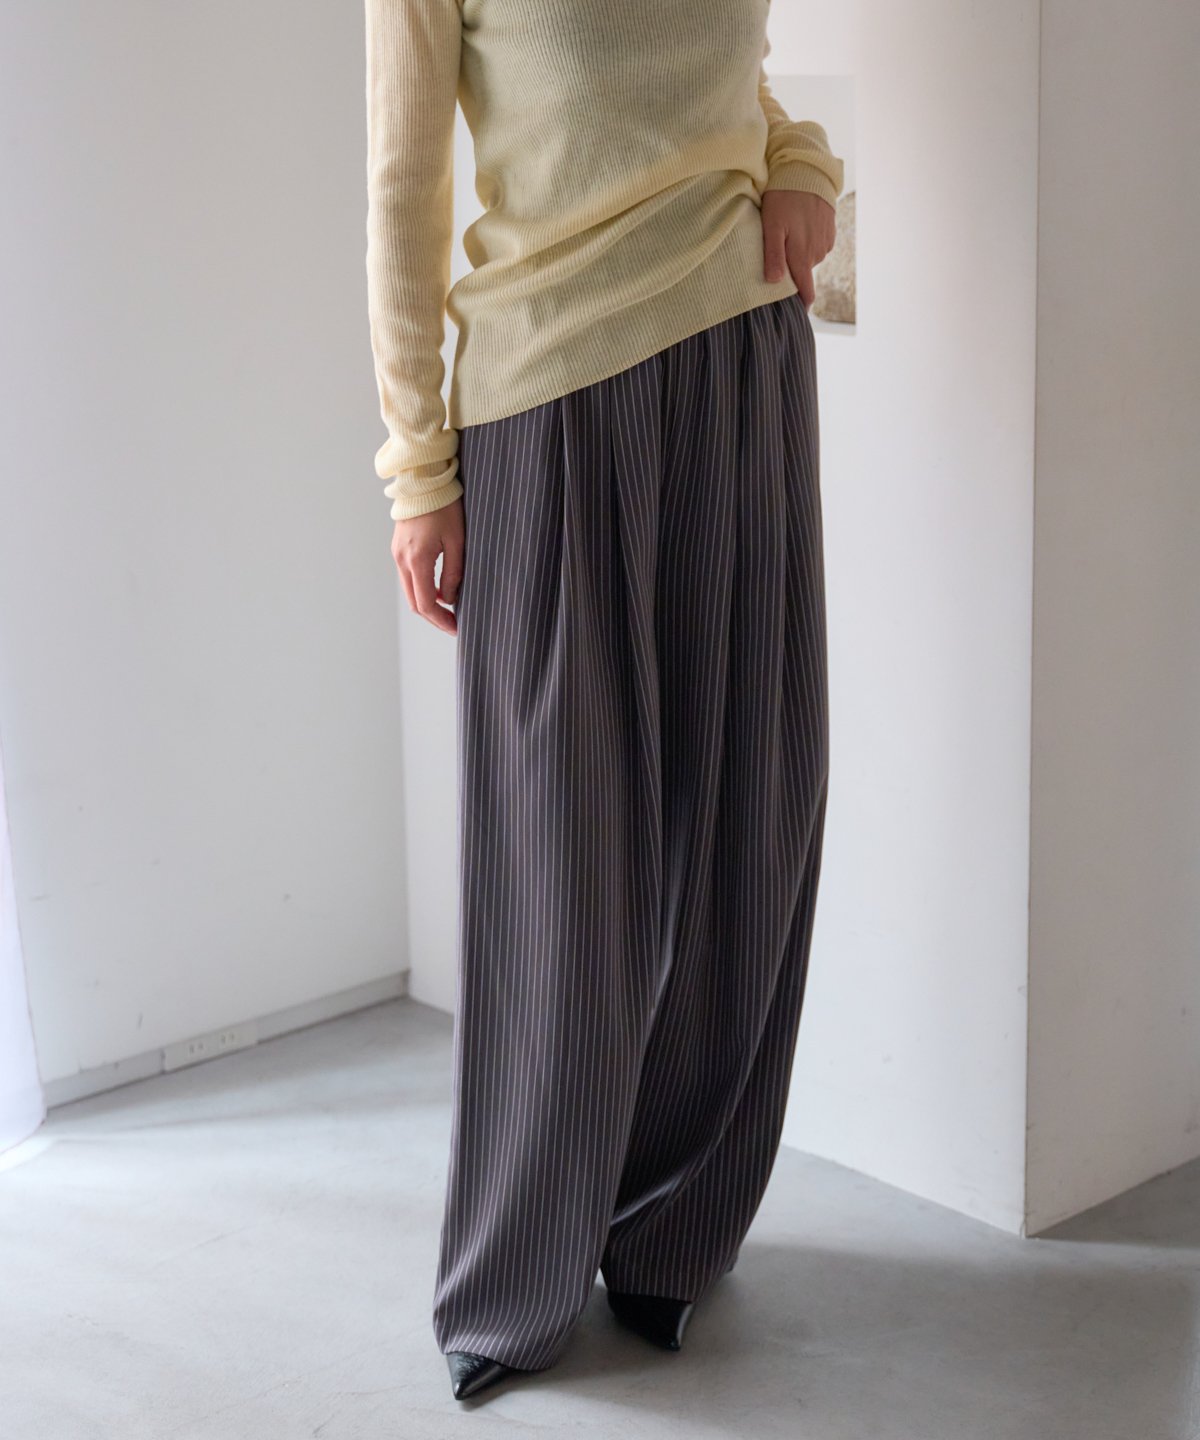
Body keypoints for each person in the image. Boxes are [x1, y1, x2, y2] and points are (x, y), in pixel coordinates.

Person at [363, 0, 843, 1403]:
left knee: (752, 813)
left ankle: (673, 1231)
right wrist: (418, 469)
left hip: (743, 360)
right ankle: (517, 1271)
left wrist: (802, 165)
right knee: (560, 861)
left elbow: (733, 85)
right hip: (550, 394)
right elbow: (402, 190)